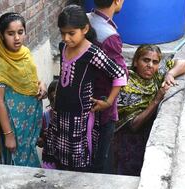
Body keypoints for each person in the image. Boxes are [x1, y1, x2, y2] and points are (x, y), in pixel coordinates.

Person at [42, 5, 127, 172]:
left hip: (79, 119)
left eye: (71, 33)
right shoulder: (63, 47)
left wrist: (109, 102)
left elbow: (119, 75)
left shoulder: (92, 53)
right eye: (63, 33)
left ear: (85, 29)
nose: (66, 38)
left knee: (78, 165)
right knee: (59, 160)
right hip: (60, 115)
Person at [113, 44, 185, 176]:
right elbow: (133, 126)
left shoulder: (156, 75)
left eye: (155, 62)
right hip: (127, 139)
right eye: (146, 60)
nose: (150, 65)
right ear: (136, 62)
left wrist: (170, 74)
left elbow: (184, 62)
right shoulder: (126, 83)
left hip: (147, 129)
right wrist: (156, 100)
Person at [0, 12, 48, 167]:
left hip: (30, 122)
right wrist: (8, 135)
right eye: (11, 34)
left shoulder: (26, 53)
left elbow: (31, 79)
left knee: (30, 155)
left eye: (20, 32)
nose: (17, 38)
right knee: (18, 163)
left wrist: (41, 85)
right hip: (15, 124)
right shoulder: (1, 63)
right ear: (1, 35)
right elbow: (0, 102)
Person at [87, 0, 127, 174]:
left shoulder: (84, 20)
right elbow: (120, 74)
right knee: (101, 160)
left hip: (84, 100)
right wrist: (110, 101)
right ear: (117, 1)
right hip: (102, 105)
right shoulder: (109, 36)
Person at [37, 79, 58, 149]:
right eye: (52, 100)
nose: (55, 104)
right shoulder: (45, 116)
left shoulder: (70, 117)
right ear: (48, 98)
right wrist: (41, 140)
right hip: (49, 157)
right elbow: (40, 143)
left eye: (57, 100)